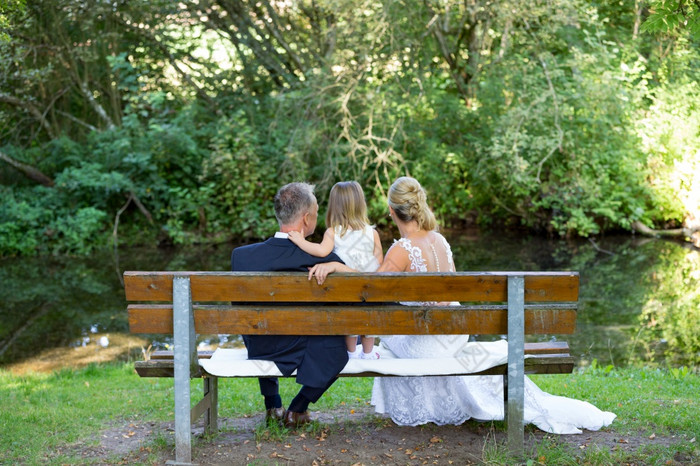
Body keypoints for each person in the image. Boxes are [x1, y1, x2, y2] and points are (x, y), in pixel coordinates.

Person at [307, 176, 616, 434]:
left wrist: (338, 267)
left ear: (392, 211)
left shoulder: (401, 250)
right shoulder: (440, 240)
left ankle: (424, 406)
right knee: (397, 330)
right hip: (455, 333)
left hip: (428, 342)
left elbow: (370, 290)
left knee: (386, 336)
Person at [230, 182, 349, 428]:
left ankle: (273, 404)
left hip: (260, 342)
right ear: (306, 219)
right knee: (338, 347)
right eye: (316, 213)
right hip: (303, 346)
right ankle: (298, 407)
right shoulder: (324, 258)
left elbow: (239, 306)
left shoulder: (242, 256)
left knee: (255, 324)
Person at [288, 181, 384, 360]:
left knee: (350, 318)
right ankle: (368, 354)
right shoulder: (372, 233)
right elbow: (379, 264)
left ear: (334, 206)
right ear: (361, 204)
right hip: (370, 293)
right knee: (367, 319)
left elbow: (321, 251)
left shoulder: (333, 233)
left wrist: (301, 241)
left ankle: (351, 353)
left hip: (346, 294)